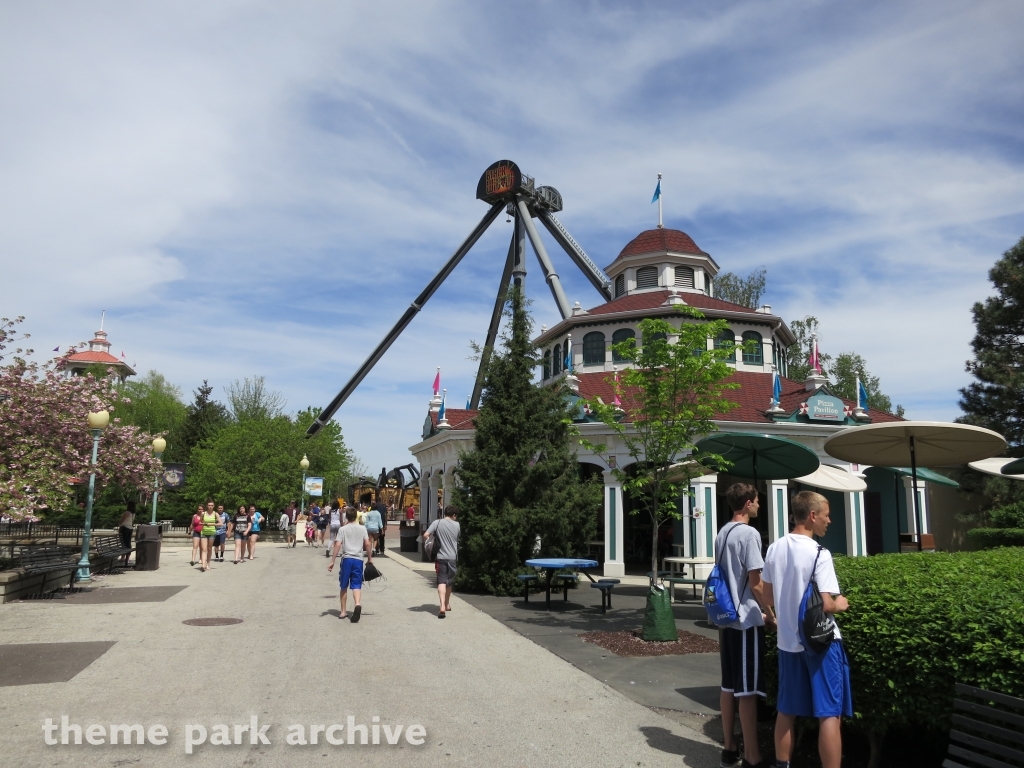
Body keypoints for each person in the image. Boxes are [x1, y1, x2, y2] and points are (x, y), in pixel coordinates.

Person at [762, 491, 852, 768]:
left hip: (788, 642)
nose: (829, 520)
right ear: (812, 516)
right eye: (826, 515)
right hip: (821, 644)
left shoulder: (775, 548)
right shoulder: (819, 554)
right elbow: (826, 604)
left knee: (786, 711)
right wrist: (842, 604)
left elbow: (767, 597)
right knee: (829, 713)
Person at [716, 484, 775, 768]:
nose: (759, 507)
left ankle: (729, 748)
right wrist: (771, 613)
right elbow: (756, 583)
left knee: (728, 686)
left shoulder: (722, 532)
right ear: (748, 503)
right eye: (757, 503)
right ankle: (753, 755)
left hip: (725, 617)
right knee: (748, 691)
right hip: (745, 620)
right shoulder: (749, 534)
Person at [327, 507, 371, 622]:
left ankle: (343, 612)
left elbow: (337, 545)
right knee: (357, 584)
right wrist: (370, 558)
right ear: (356, 516)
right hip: (358, 560)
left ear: (346, 516)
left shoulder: (343, 529)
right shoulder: (362, 528)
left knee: (344, 585)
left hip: (347, 559)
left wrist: (332, 561)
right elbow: (367, 543)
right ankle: (357, 604)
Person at [423, 505, 460, 618]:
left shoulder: (437, 523)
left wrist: (432, 542)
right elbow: (458, 538)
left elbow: (425, 535)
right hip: (452, 557)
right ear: (454, 515)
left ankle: (442, 606)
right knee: (449, 582)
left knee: (441, 581)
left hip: (440, 556)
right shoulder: (457, 525)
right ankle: (447, 604)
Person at [199, 502, 218, 572]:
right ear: (207, 506)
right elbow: (200, 522)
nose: (210, 506)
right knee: (204, 549)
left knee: (209, 549)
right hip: (204, 532)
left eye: (212, 505)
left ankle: (208, 563)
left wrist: (212, 524)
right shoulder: (203, 513)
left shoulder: (215, 514)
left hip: (212, 532)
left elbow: (220, 523)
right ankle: (203, 564)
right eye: (209, 505)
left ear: (213, 506)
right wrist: (204, 523)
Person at [117, 501, 136, 568]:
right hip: (130, 528)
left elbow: (122, 520)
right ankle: (127, 557)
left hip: (124, 528)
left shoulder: (127, 512)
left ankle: (123, 557)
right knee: (128, 543)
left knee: (123, 543)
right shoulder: (133, 513)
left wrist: (119, 524)